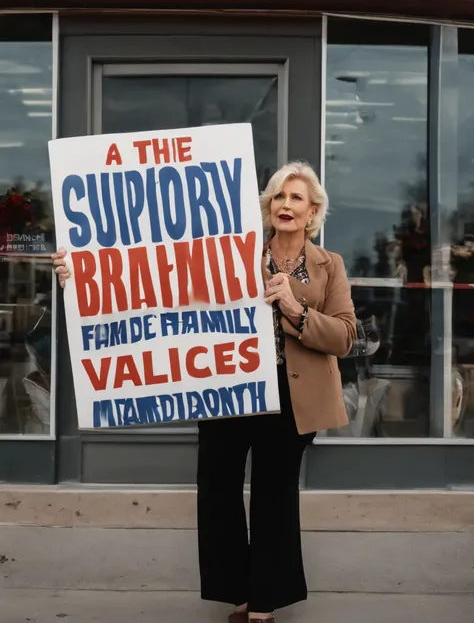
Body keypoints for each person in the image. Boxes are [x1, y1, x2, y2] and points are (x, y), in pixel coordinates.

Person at [52, 161, 356, 623]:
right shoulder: (234, 253)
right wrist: (84, 272)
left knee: (275, 496)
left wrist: (296, 310)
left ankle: (264, 605)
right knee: (216, 489)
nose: (285, 205)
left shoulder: (328, 266)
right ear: (268, 206)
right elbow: (156, 281)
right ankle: (237, 594)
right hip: (228, 387)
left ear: (313, 211)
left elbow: (345, 337)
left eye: (296, 198)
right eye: (278, 196)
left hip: (292, 398)